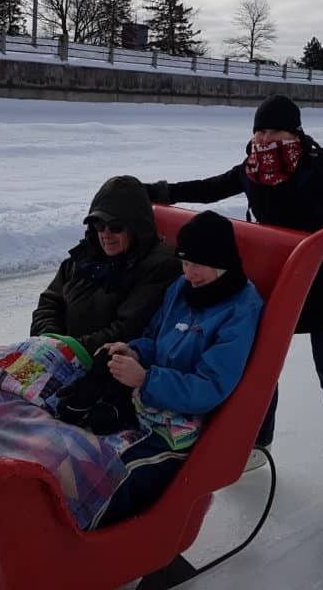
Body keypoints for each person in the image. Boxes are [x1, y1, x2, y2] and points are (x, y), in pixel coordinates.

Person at [144, 94, 323, 508]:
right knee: (260, 372)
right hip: (279, 288)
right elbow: (210, 188)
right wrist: (157, 192)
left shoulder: (319, 169)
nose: (263, 138)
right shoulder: (253, 170)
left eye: (273, 130)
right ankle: (258, 443)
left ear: (294, 132)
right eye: (258, 130)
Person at [90, 210, 263, 528]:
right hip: (149, 405)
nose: (189, 273)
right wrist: (133, 350)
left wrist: (146, 378)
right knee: (80, 450)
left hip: (185, 429)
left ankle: (88, 549)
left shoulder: (240, 310)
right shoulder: (181, 289)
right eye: (184, 263)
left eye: (197, 264)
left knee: (114, 476)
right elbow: (156, 339)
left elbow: (210, 387)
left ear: (221, 262)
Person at [30, 174, 181, 354]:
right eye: (99, 225)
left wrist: (70, 351)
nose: (105, 234)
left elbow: (128, 329)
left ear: (137, 227)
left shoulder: (159, 267)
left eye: (115, 227)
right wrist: (49, 339)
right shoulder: (85, 257)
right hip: (60, 355)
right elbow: (50, 302)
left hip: (109, 366)